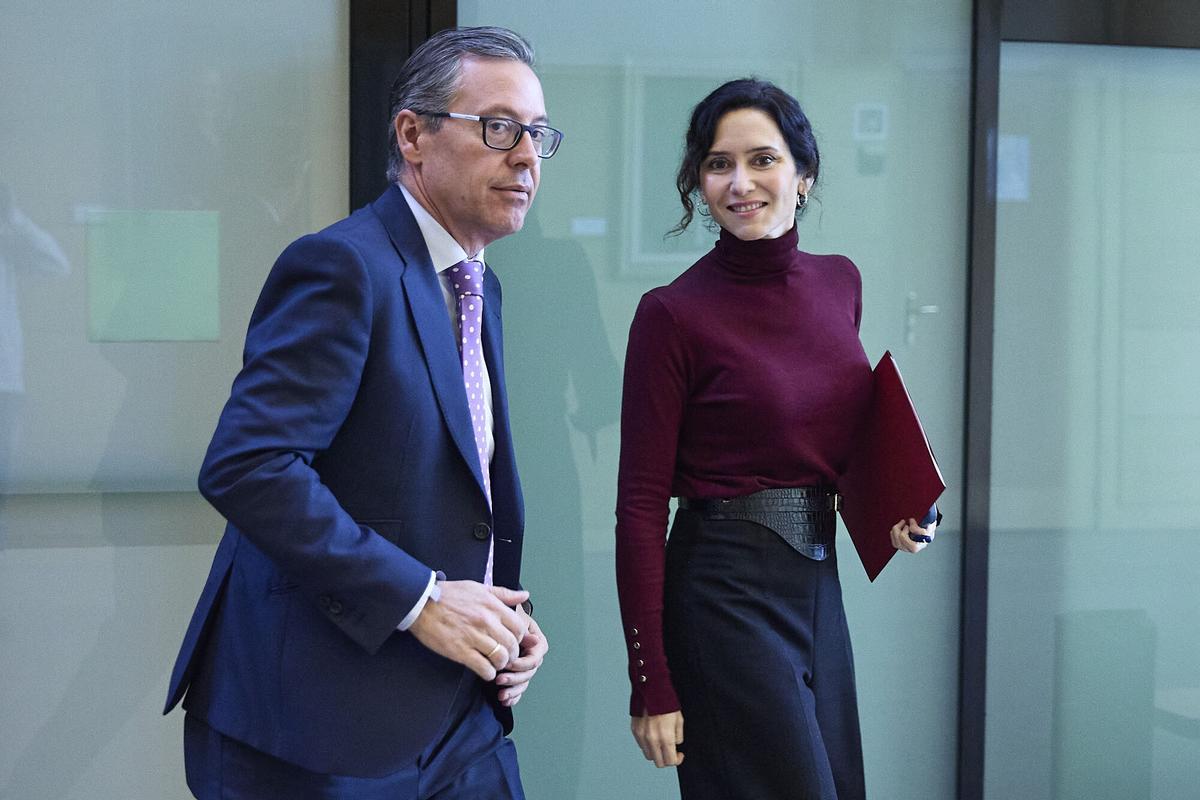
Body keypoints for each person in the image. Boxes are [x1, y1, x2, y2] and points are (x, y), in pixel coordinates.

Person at [163, 26, 560, 800]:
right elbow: (250, 466)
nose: (526, 157)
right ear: (413, 135)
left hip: (459, 715)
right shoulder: (345, 265)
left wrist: (499, 616)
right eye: (499, 127)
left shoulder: (478, 284)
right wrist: (422, 600)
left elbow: (441, 485)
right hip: (319, 725)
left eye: (537, 134)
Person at [614, 78, 938, 800]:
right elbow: (638, 508)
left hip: (819, 587)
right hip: (721, 592)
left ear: (803, 174)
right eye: (718, 164)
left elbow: (840, 439)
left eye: (762, 159)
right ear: (699, 182)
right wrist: (649, 679)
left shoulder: (840, 283)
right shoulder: (671, 315)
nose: (740, 183)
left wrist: (907, 505)